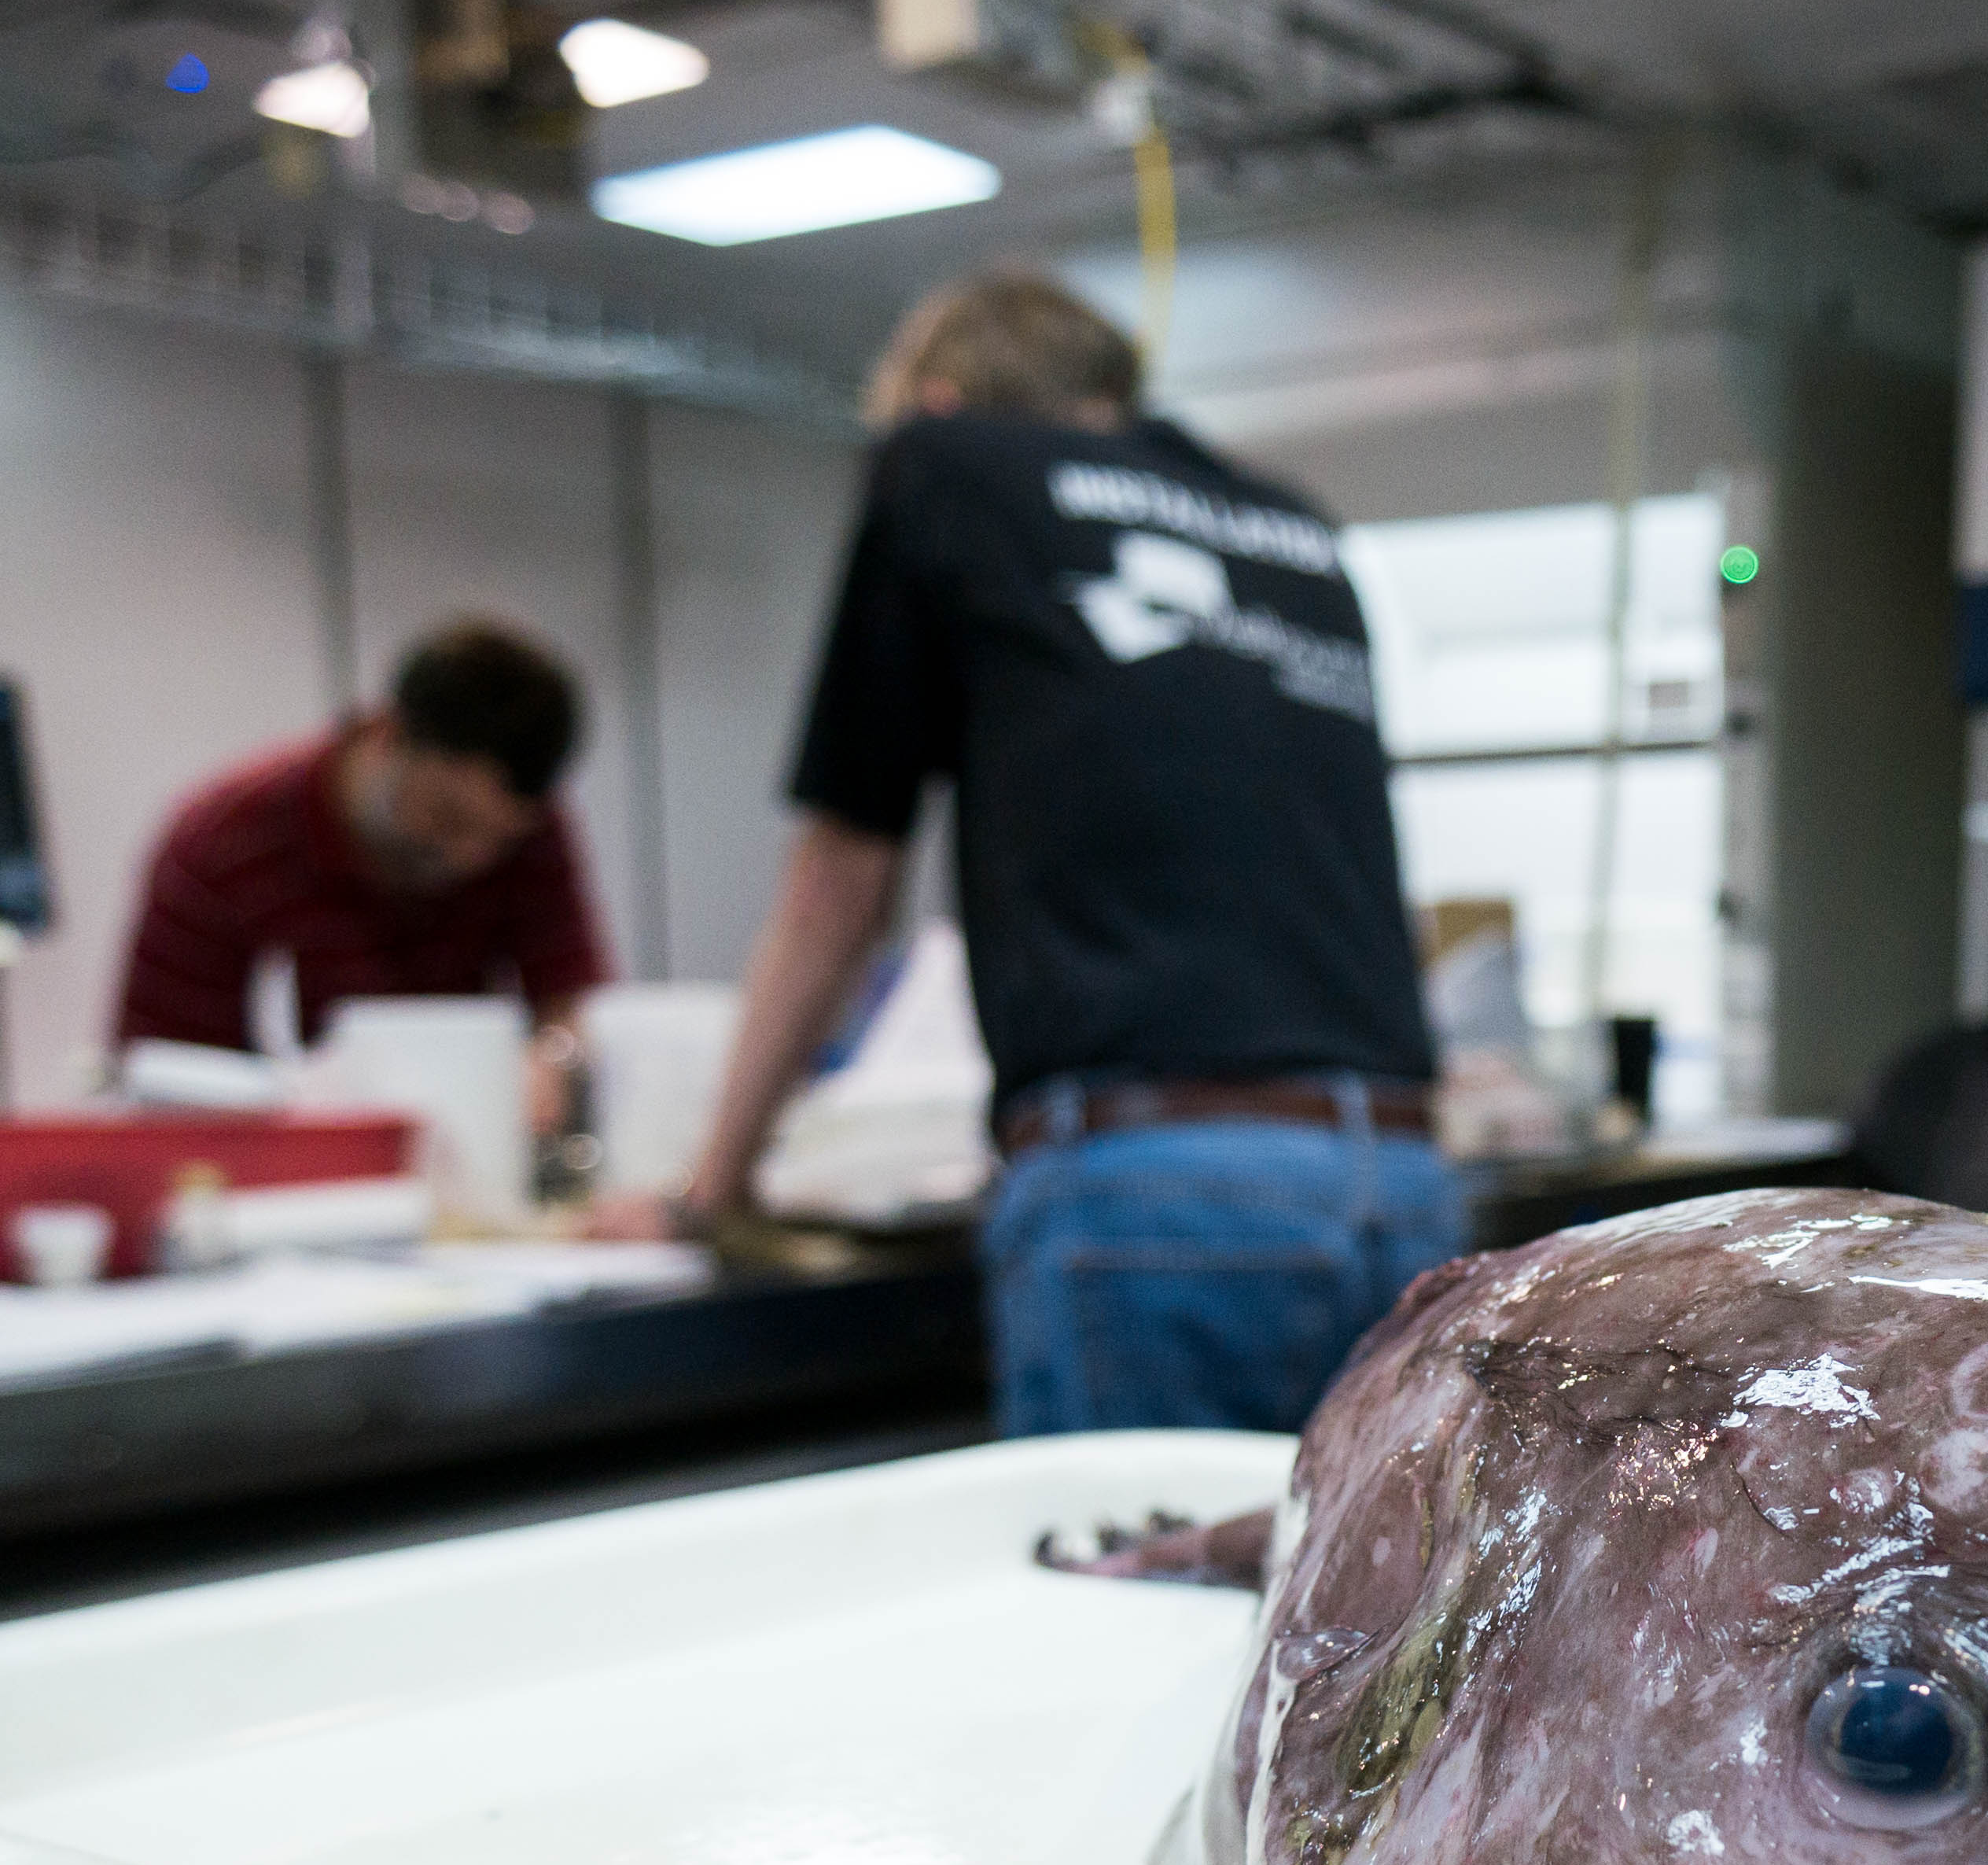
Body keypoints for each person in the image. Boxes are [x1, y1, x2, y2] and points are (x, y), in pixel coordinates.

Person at [598, 271, 1457, 1435]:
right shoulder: (1295, 531)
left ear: (941, 400)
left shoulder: (944, 464)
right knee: (1367, 1617)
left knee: (1131, 1609)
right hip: (1399, 1187)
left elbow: (841, 882)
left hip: (1160, 1198)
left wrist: (714, 1190)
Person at [114, 620, 606, 1089]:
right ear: (386, 735)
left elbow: (570, 1009)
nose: (469, 858)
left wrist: (553, 1061)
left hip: (465, 1149)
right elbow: (165, 1072)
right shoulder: (222, 843)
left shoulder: (533, 830)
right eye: (447, 817)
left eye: (500, 842)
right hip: (293, 1157)